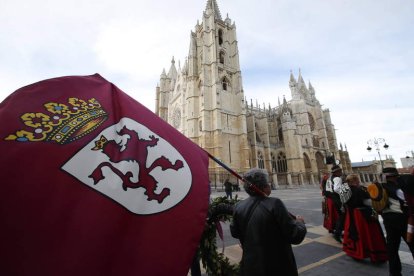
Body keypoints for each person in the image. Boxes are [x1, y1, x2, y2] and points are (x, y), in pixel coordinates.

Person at [230, 168, 307, 276]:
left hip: (251, 266)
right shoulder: (275, 203)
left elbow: (235, 232)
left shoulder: (239, 206)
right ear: (263, 186)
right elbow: (295, 235)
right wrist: (300, 222)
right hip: (276, 267)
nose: (270, 184)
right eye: (268, 182)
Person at [342, 174, 387, 263]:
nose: (359, 181)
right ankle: (373, 252)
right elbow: (368, 202)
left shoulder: (344, 190)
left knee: (354, 232)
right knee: (367, 233)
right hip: (361, 214)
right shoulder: (360, 190)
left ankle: (355, 252)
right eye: (358, 180)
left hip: (351, 214)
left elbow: (343, 202)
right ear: (355, 180)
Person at [381, 167, 414, 276]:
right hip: (403, 219)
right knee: (412, 244)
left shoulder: (380, 187)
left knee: (392, 248)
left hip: (388, 220)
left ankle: (394, 273)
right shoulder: (400, 188)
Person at [331, 165, 346, 243]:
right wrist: (345, 193)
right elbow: (336, 189)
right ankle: (337, 233)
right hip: (339, 200)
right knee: (342, 217)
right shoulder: (337, 178)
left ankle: (339, 232)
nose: (341, 172)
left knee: (342, 217)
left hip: (335, 200)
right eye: (340, 171)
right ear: (336, 172)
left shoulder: (332, 178)